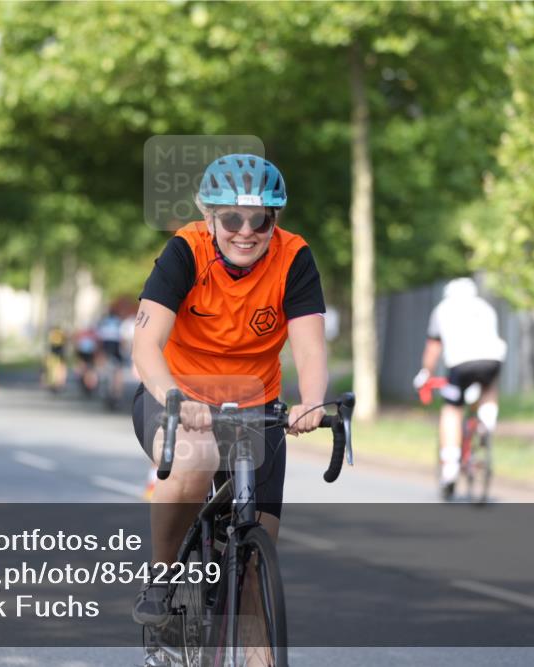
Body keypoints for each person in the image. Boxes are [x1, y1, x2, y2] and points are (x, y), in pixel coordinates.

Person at [130, 154, 327, 635]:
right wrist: (174, 395)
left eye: (259, 219)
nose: (246, 231)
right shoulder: (186, 251)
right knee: (194, 459)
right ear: (209, 217)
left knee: (257, 577)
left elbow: (309, 347)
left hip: (256, 406)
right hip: (177, 395)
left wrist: (314, 402)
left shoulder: (294, 257)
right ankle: (162, 575)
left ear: (273, 220)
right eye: (231, 218)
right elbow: (145, 342)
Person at [413, 277, 507, 500]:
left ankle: (450, 466)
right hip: (492, 360)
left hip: (460, 363)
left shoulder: (442, 309)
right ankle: (486, 422)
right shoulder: (485, 308)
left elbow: (433, 349)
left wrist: (426, 373)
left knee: (452, 410)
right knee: (488, 388)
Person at [95, 308, 125, 406]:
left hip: (106, 345)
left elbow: (98, 338)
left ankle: (102, 384)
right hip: (115, 346)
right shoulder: (118, 322)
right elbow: (122, 338)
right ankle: (117, 393)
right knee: (118, 370)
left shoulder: (103, 322)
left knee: (102, 366)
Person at [43, 326, 68, 393]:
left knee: (52, 369)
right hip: (59, 354)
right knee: (60, 369)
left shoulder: (52, 334)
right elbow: (65, 344)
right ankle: (59, 382)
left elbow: (48, 346)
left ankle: (54, 382)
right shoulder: (61, 334)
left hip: (54, 354)